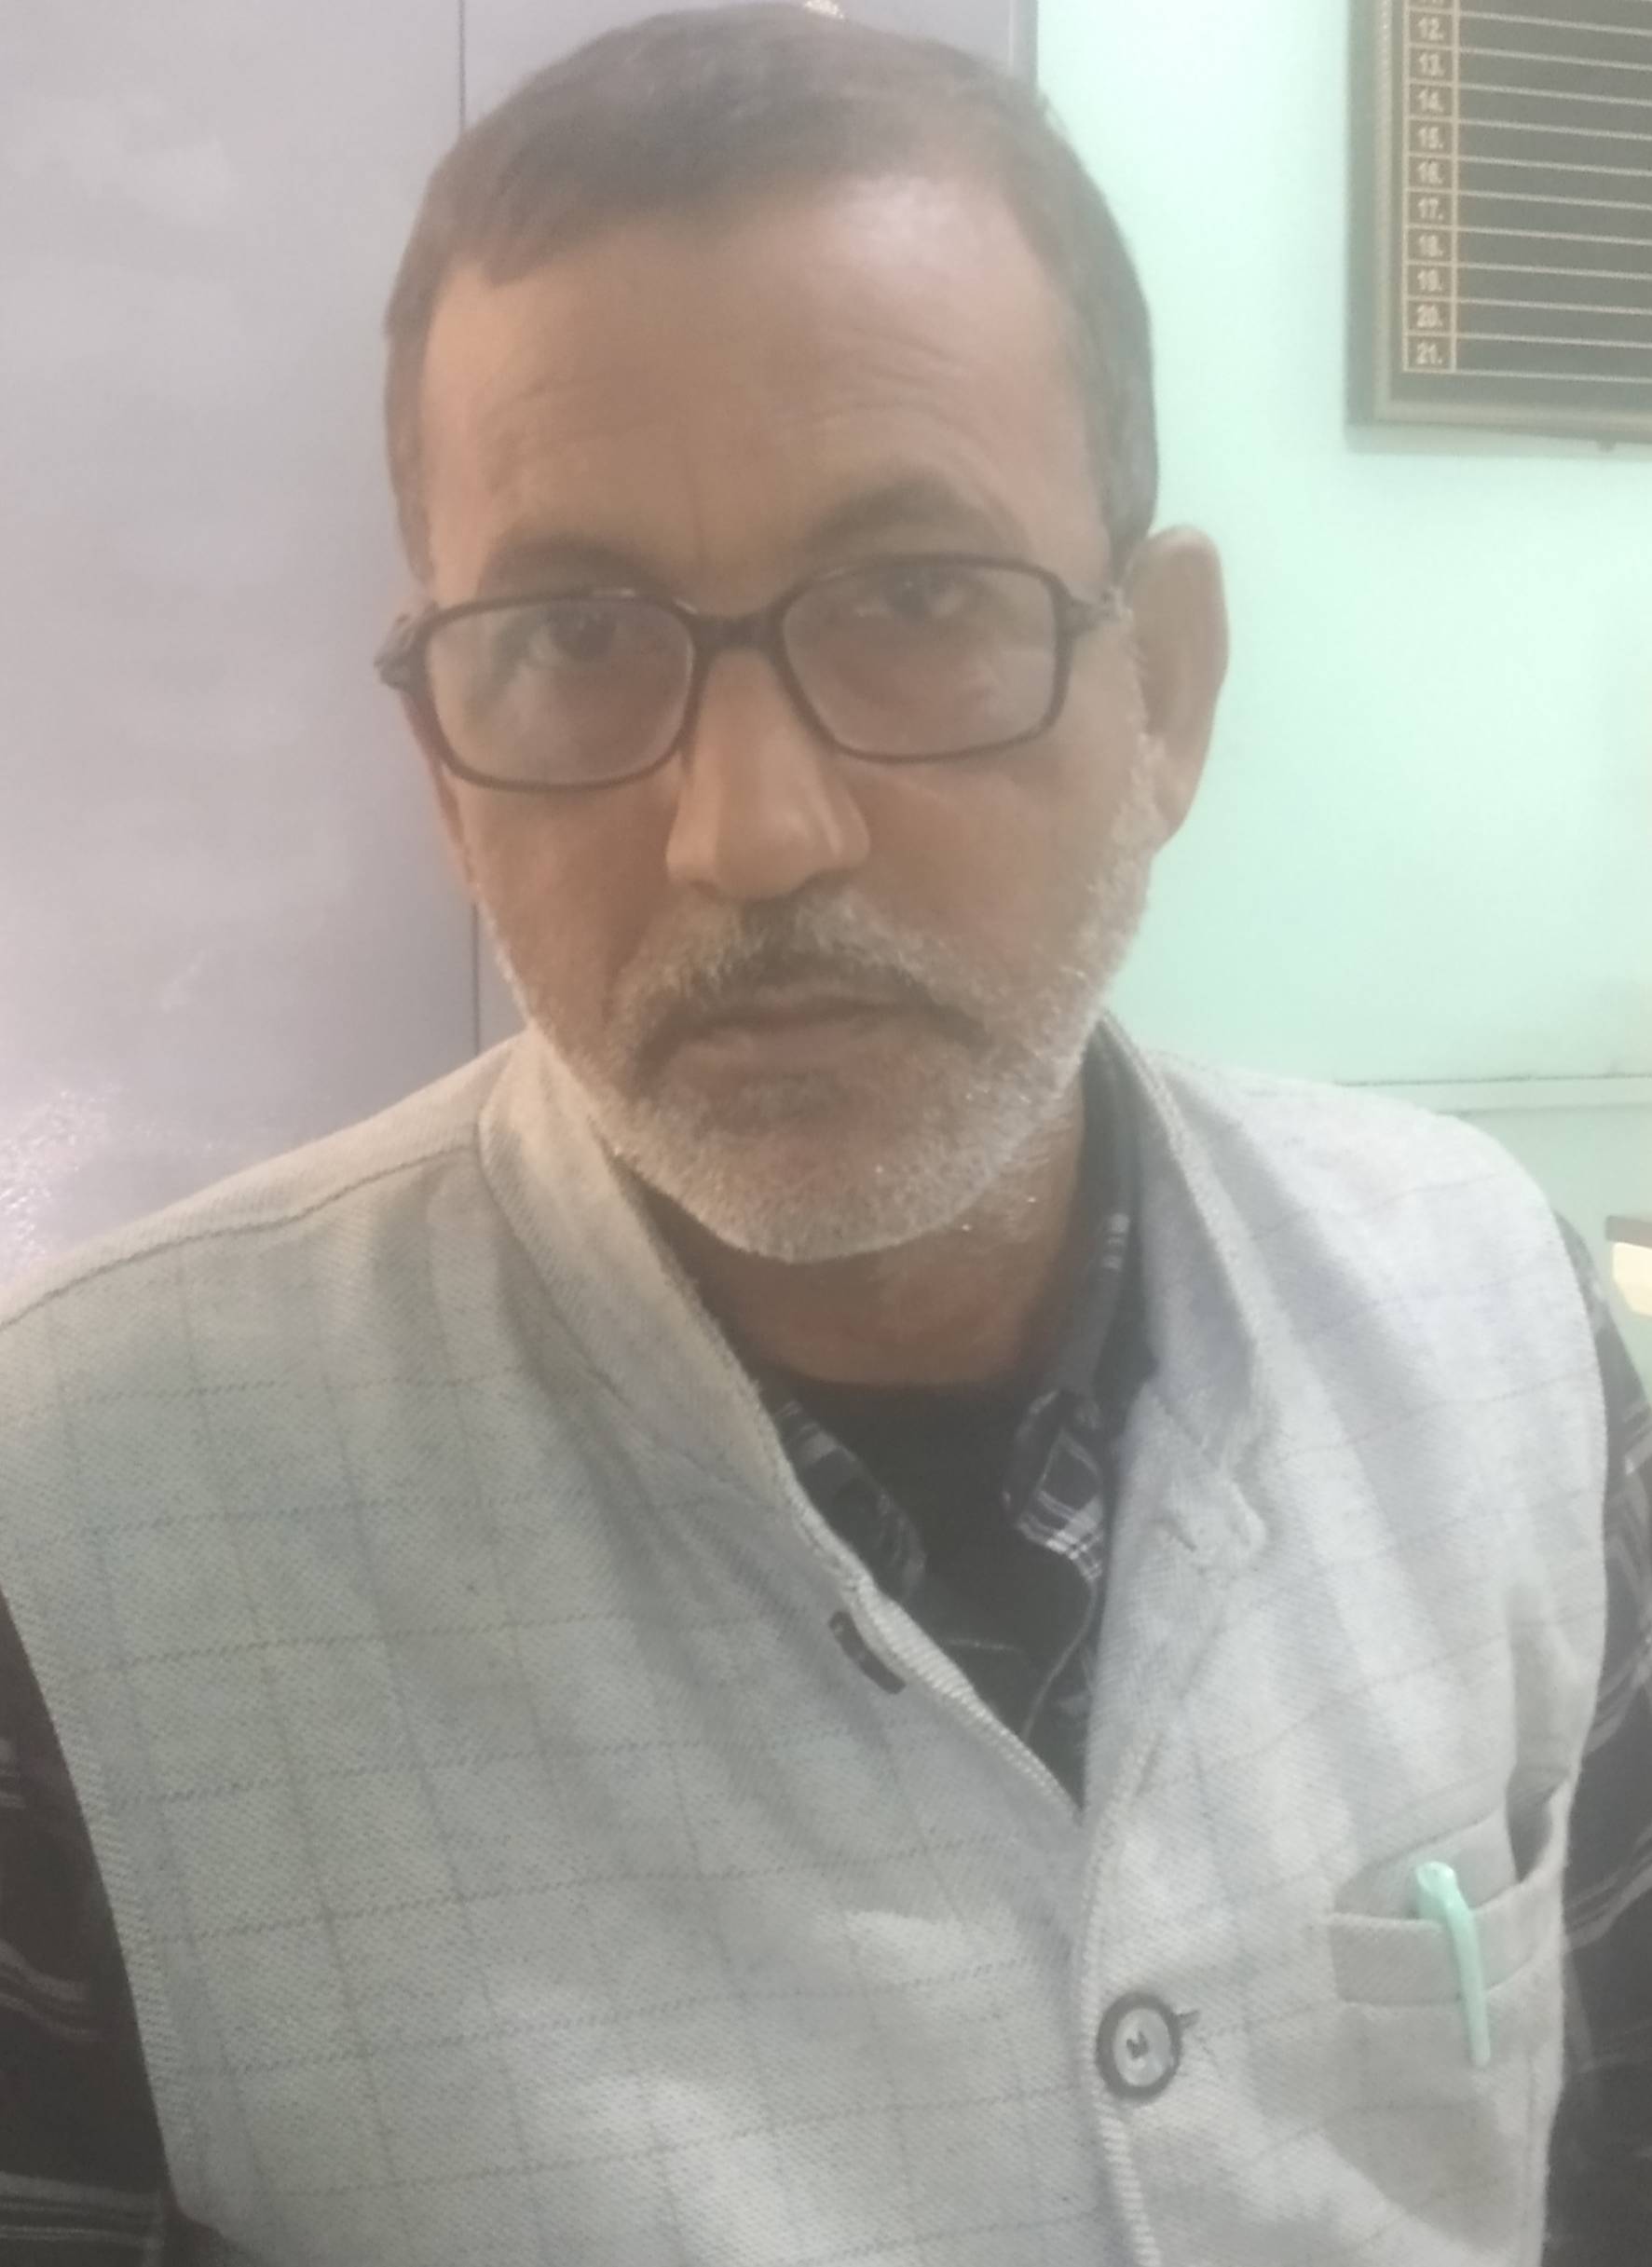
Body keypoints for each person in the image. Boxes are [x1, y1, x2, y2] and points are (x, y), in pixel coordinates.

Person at [0, 7, 1647, 2262]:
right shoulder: (71, 1544)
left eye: (915, 603)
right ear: (445, 773)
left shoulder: (1502, 1325)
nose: (748, 833)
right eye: (574, 636)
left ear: (1160, 692)